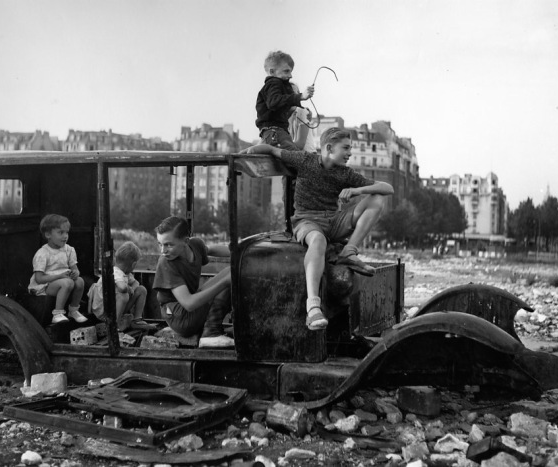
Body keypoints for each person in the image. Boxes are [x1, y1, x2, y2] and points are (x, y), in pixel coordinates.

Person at [242, 128, 394, 331]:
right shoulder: (305, 160)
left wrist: (357, 190)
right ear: (329, 148)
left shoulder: (345, 173)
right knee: (318, 241)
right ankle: (313, 308)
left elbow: (388, 188)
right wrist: (250, 150)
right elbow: (273, 150)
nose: (349, 153)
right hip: (307, 221)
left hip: (334, 220)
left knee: (377, 199)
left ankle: (349, 252)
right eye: (346, 148)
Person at [152, 216, 234, 348]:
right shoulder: (166, 263)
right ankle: (211, 333)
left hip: (191, 308)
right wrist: (224, 283)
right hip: (179, 317)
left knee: (233, 271)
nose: (163, 250)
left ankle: (226, 325)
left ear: (185, 241)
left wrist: (239, 251)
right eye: (160, 244)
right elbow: (189, 304)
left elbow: (210, 249)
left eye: (168, 244)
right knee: (227, 279)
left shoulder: (195, 245)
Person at [28, 214, 87, 324]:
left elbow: (75, 269)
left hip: (63, 280)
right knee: (67, 283)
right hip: (46, 286)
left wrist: (75, 273)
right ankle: (57, 313)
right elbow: (39, 279)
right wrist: (59, 276)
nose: (65, 236)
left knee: (80, 281)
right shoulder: (43, 253)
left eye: (66, 232)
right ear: (48, 234)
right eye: (60, 232)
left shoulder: (69, 250)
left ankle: (73, 310)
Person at [88, 241, 155, 331]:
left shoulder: (126, 273)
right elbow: (122, 288)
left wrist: (132, 289)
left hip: (113, 308)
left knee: (141, 290)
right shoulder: (115, 272)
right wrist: (129, 289)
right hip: (104, 311)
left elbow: (136, 283)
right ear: (133, 264)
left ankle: (137, 320)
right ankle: (114, 325)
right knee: (124, 295)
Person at [256, 50, 314, 150]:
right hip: (275, 132)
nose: (291, 75)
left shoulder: (276, 85)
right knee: (294, 155)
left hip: (276, 132)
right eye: (286, 71)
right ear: (272, 72)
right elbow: (274, 102)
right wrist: (300, 97)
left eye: (291, 71)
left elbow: (280, 106)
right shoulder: (273, 83)